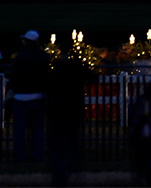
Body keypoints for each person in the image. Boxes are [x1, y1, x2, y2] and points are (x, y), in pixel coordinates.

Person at [48, 54, 93, 186]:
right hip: (73, 110)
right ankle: (73, 168)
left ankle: (59, 174)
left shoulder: (57, 71)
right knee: (73, 140)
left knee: (58, 143)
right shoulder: (77, 70)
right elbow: (92, 77)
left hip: (58, 110)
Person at [9, 29, 50, 163]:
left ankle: (20, 157)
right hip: (38, 96)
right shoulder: (44, 57)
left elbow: (13, 76)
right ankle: (36, 156)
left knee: (20, 130)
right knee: (37, 129)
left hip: (21, 97)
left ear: (27, 42)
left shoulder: (21, 57)